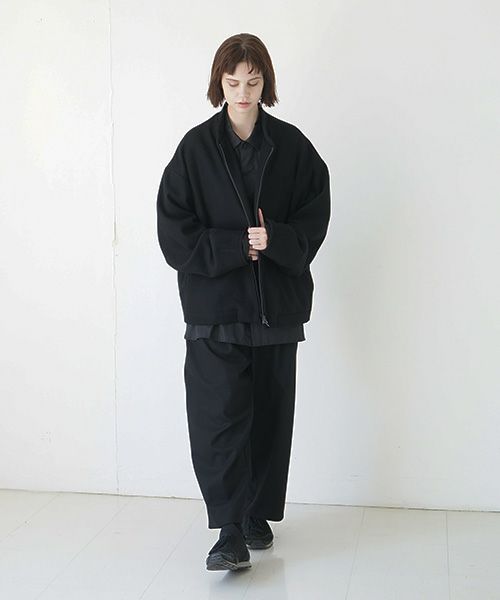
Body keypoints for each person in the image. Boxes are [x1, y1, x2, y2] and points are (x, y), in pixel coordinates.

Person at [156, 33, 331, 571]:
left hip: (277, 311)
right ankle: (229, 531)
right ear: (220, 83)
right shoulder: (194, 150)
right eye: (233, 82)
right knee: (218, 420)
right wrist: (234, 246)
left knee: (271, 420)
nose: (243, 92)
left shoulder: (293, 147)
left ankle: (257, 515)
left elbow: (315, 216)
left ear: (265, 83)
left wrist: (276, 238)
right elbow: (174, 233)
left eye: (253, 82)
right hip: (215, 313)